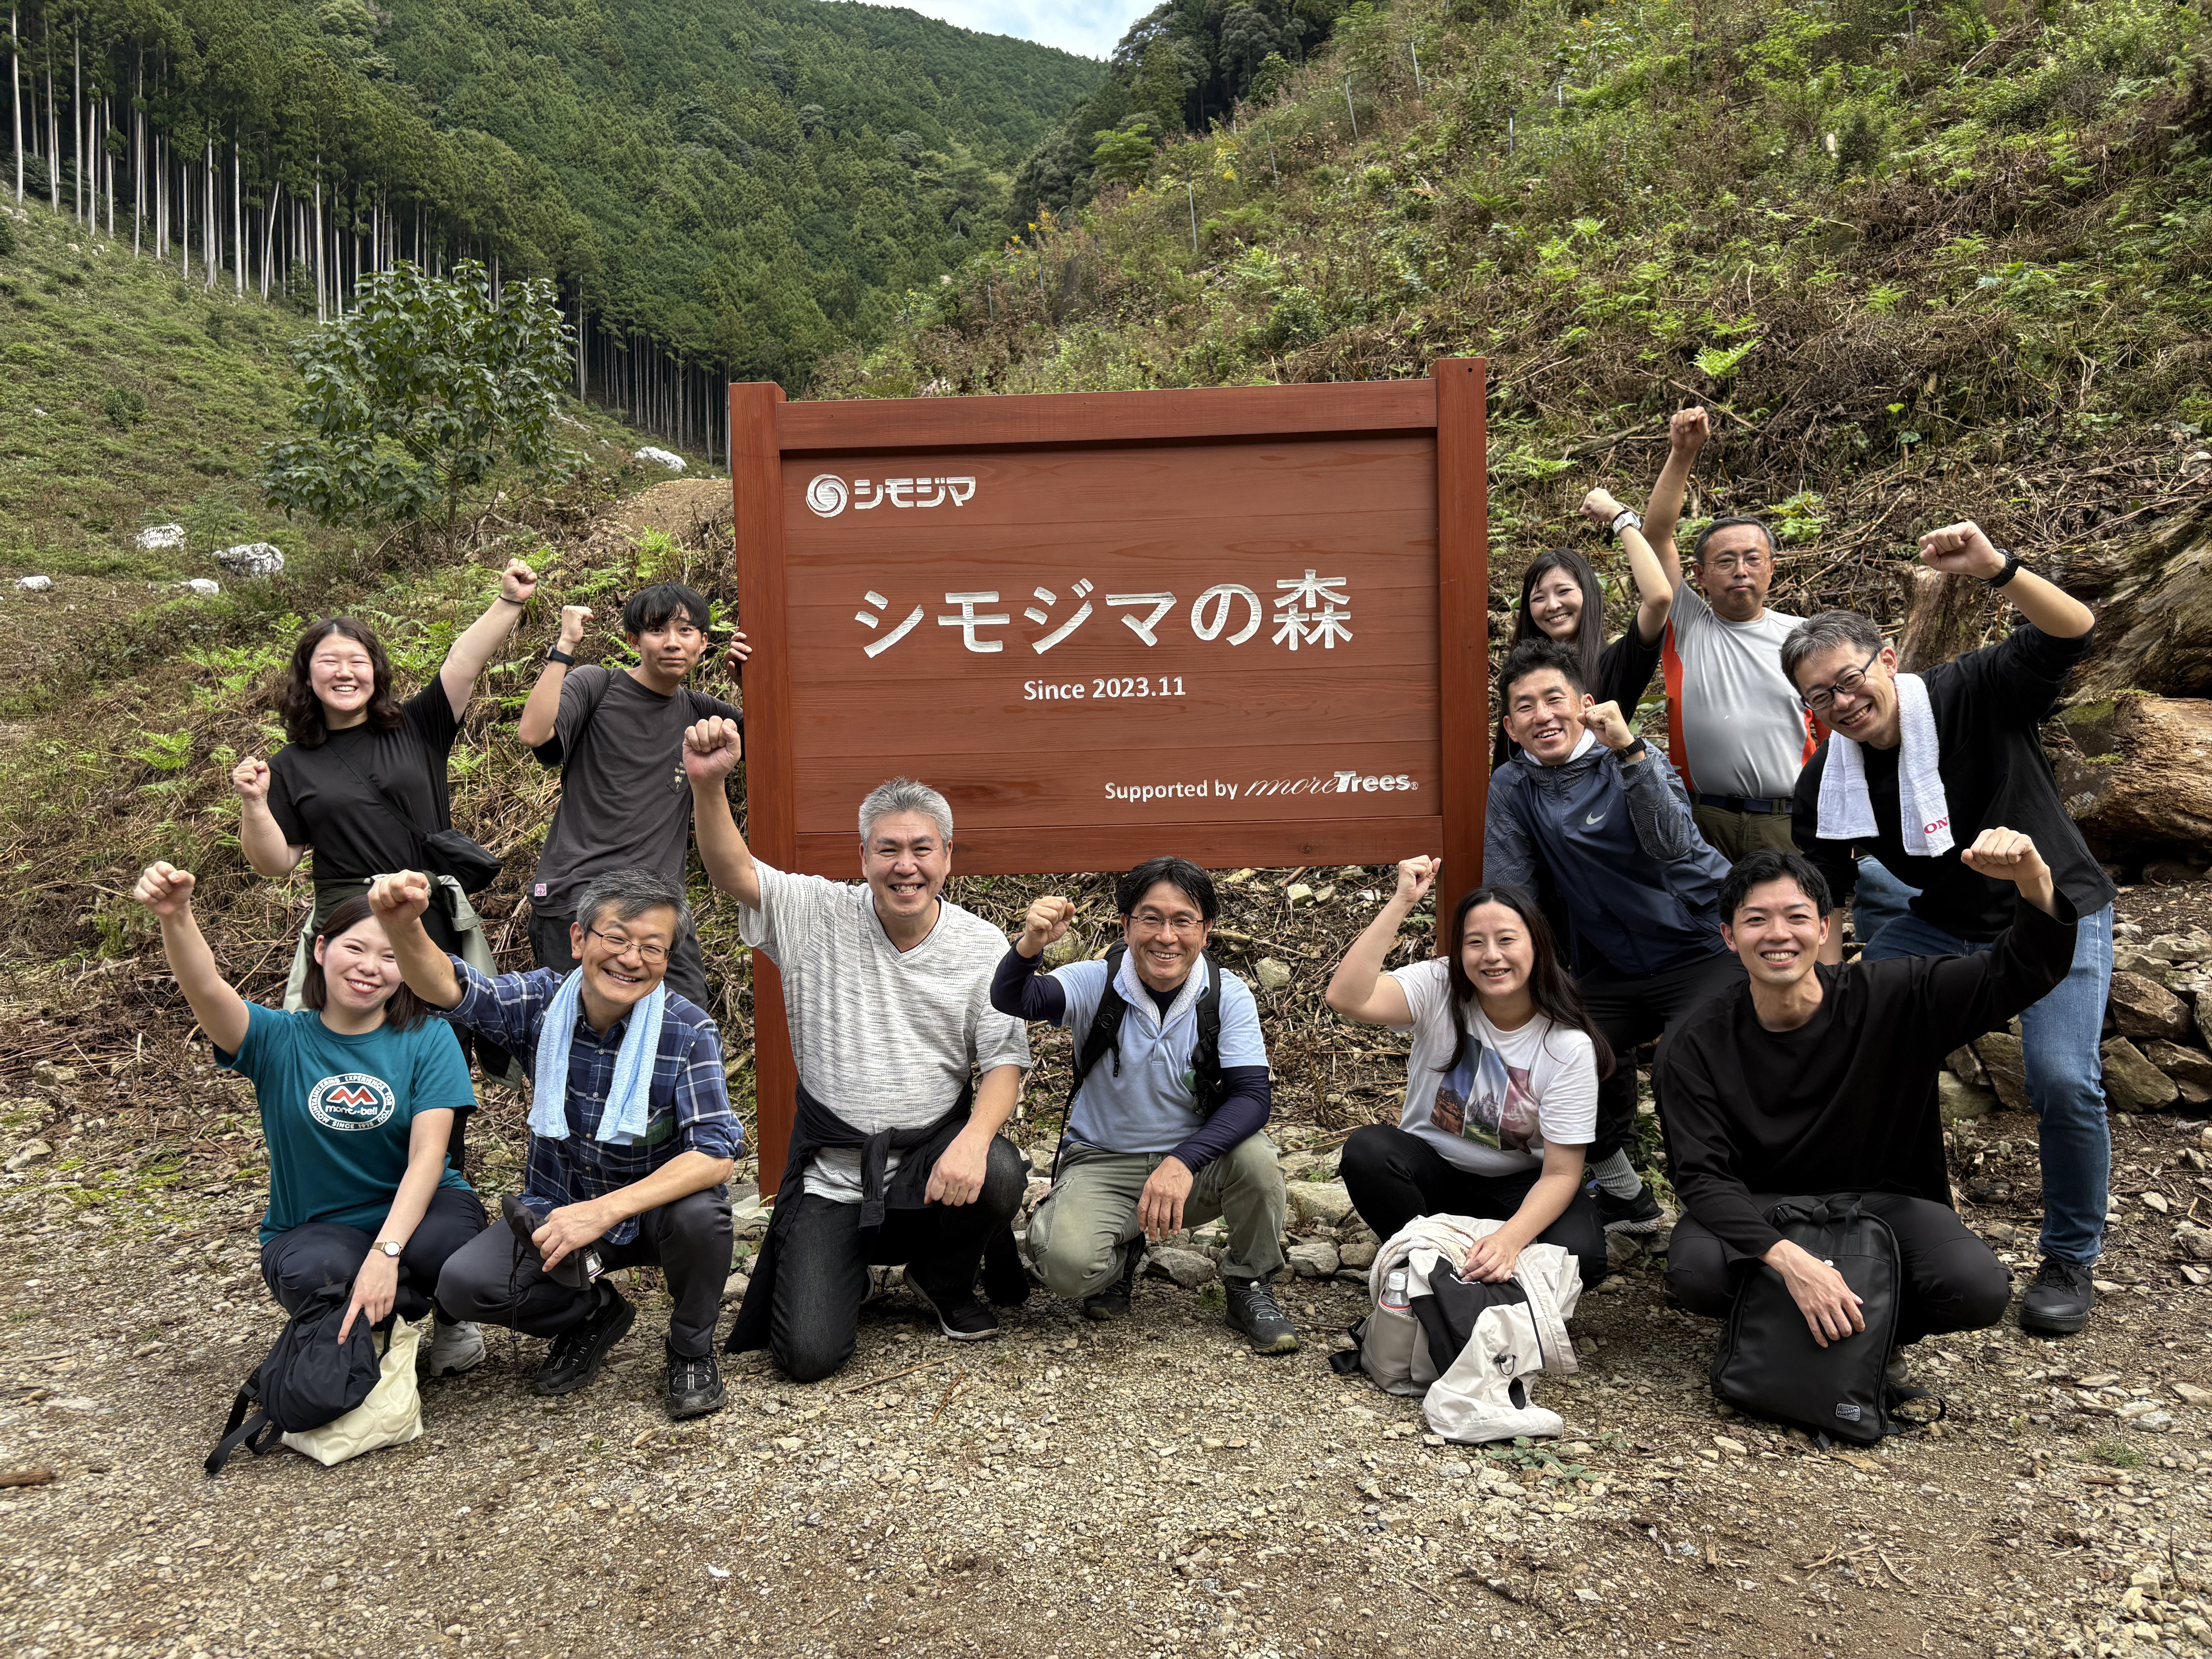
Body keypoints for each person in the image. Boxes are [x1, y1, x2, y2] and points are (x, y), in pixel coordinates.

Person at [1784, 519, 2116, 1338]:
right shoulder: (1829, 778)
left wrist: (1998, 569)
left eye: (1850, 680)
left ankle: (2071, 1255)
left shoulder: (1972, 692)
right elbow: (1826, 897)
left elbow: (2072, 630)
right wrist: (1825, 994)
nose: (1842, 703)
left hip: (2056, 909)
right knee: (1855, 1033)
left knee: (2062, 1080)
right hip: (1946, 924)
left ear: (1888, 661)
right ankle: (1902, 1220)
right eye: (1819, 697)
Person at [684, 721, 1030, 1383]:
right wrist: (708, 783)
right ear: (864, 854)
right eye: (889, 848)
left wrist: (973, 1138)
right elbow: (734, 871)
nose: (907, 865)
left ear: (948, 856)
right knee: (807, 1356)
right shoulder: (818, 913)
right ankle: (848, 1274)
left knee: (1000, 1166)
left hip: (933, 1164)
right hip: (835, 1174)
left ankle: (943, 1274)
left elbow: (1004, 1061)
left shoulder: (981, 944)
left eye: (922, 848)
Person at [1660, 836, 2077, 1367]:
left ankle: (1865, 1328)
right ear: (1729, 936)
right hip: (1764, 1203)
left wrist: (2033, 881)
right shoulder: (1695, 1042)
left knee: (1978, 1289)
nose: (1779, 935)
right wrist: (1792, 1261)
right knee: (1699, 1272)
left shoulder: (1897, 997)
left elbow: (2020, 972)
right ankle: (1778, 1321)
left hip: (1879, 1203)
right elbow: (1701, 1176)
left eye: (1796, 916)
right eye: (1757, 920)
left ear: (1825, 928)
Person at [370, 867, 741, 1419]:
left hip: (654, 1218)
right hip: (559, 1211)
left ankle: (690, 1347)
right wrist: (403, 928)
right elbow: (452, 988)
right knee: (465, 1285)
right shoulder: (542, 1002)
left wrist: (604, 1211)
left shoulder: (687, 1032)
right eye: (616, 938)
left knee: (703, 1216)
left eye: (652, 947)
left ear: (668, 959)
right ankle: (593, 1313)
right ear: (578, 939)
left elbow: (716, 1153)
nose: (631, 959)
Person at [131, 863, 488, 1375]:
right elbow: (207, 988)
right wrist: (176, 915)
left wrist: (386, 1253)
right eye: (356, 948)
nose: (370, 967)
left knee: (453, 1250)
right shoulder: (275, 1040)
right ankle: (377, 1328)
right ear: (321, 950)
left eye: (391, 956)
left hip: (421, 1212)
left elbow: (430, 1155)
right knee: (318, 1274)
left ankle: (448, 1317)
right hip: (316, 1228)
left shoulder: (429, 1038)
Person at [234, 561, 543, 1126]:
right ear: (307, 677)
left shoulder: (417, 726)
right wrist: (255, 804)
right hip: (349, 921)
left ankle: (443, 1175)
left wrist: (508, 602)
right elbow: (275, 861)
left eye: (357, 661)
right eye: (329, 662)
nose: (344, 672)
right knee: (357, 1049)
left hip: (425, 913)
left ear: (376, 671)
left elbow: (462, 663)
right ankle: (366, 1172)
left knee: (440, 1041)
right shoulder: (289, 766)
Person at [1484, 638, 1743, 1235]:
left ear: (1585, 704)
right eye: (1526, 707)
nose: (1543, 715)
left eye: (1555, 699)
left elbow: (1674, 845)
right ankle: (1627, 1196)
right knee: (1554, 1050)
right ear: (1511, 726)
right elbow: (1510, 887)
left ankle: (1717, 1212)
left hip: (1703, 945)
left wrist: (1628, 753)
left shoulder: (1630, 755)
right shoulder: (1514, 784)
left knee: (1686, 1064)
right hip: (1617, 964)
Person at [993, 857, 1297, 1353]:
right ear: (1126, 925)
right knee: (1065, 1267)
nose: (1166, 936)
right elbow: (1014, 999)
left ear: (1207, 931)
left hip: (1195, 1168)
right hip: (1104, 1160)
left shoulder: (1226, 995)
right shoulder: (1096, 981)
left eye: (1183, 921)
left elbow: (1252, 1098)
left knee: (1258, 1159)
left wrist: (1183, 1160)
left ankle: (1250, 1283)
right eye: (1150, 919)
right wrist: (1030, 944)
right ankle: (1122, 1251)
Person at [1326, 862, 1608, 1292]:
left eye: (1507, 940)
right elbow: (1346, 998)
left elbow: (1562, 1174)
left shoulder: (1567, 1045)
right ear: (1459, 952)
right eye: (1475, 943)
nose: (1491, 956)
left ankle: (1469, 1271)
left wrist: (1510, 1240)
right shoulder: (1440, 986)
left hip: (1518, 1184)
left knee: (1582, 1258)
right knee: (1369, 1151)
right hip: (1434, 1171)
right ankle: (1426, 1268)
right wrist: (1402, 903)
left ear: (1538, 946)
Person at [516, 582, 749, 1012]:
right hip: (579, 901)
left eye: (686, 631)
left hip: (661, 912)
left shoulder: (702, 713)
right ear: (633, 640)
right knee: (580, 1046)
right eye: (658, 630)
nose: (673, 643)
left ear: (704, 644)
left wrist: (752, 686)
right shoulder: (597, 687)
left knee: (687, 1033)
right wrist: (566, 646)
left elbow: (784, 748)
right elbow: (534, 733)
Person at [1638, 407, 1821, 861]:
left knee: (1789, 928)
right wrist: (1683, 454)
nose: (1741, 571)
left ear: (1772, 569)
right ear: (1699, 574)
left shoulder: (1805, 638)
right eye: (1725, 561)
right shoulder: (1688, 626)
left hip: (1787, 819)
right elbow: (1657, 535)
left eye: (1753, 559)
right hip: (1703, 818)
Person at [1490, 487, 1675, 767]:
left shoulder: (1617, 663)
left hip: (1602, 806)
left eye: (1564, 591)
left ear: (1588, 594)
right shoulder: (1522, 677)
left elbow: (1660, 597)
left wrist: (1618, 516)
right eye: (1539, 598)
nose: (1552, 606)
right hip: (1532, 809)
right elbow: (1507, 764)